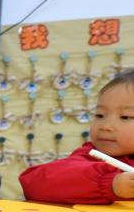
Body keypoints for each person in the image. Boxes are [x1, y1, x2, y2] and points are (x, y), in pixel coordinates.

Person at [20, 69, 134, 203]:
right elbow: (34, 183)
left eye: (125, 117)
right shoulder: (91, 157)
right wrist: (109, 183)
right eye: (99, 115)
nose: (105, 126)